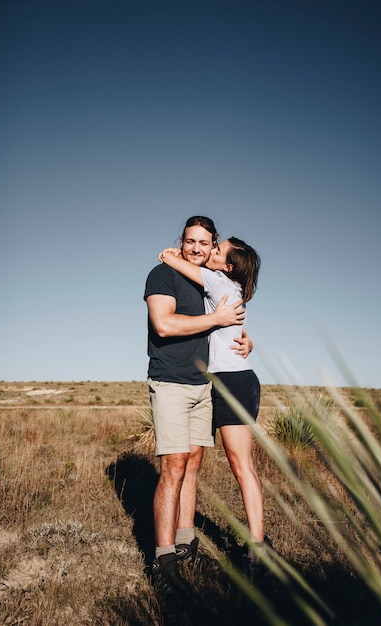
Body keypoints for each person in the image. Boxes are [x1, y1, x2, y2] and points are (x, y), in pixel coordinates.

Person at [144, 216, 252, 596]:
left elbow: (227, 324)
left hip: (202, 386)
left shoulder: (205, 279)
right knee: (173, 467)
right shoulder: (163, 275)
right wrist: (215, 318)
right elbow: (163, 325)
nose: (194, 247)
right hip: (171, 382)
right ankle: (163, 558)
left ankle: (186, 545)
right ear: (182, 241)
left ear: (213, 247)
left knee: (191, 466)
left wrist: (244, 339)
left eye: (203, 243)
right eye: (189, 241)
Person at [159, 235, 269, 583]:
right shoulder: (227, 286)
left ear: (228, 265)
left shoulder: (217, 280)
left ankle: (257, 551)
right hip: (220, 382)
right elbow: (237, 334)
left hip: (233, 383)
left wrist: (169, 253)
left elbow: (175, 261)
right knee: (210, 463)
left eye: (217, 249)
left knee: (241, 465)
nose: (211, 250)